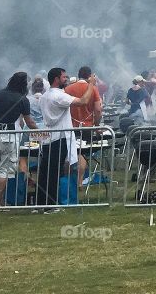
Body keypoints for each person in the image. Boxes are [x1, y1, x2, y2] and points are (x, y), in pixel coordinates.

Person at [38, 67, 99, 209]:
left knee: (45, 173)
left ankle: (41, 203)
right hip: (59, 137)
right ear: (56, 79)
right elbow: (83, 101)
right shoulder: (58, 95)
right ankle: (51, 205)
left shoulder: (45, 96)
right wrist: (91, 84)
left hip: (49, 137)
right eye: (64, 77)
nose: (66, 79)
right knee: (55, 173)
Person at [0, 71, 37, 207]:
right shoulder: (23, 99)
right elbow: (29, 122)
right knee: (4, 170)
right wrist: (40, 132)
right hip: (9, 136)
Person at [64, 65, 103, 195]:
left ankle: (68, 180)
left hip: (71, 126)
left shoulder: (68, 88)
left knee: (72, 154)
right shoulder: (93, 89)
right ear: (90, 76)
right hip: (87, 126)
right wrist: (97, 125)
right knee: (82, 153)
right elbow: (98, 109)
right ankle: (80, 180)